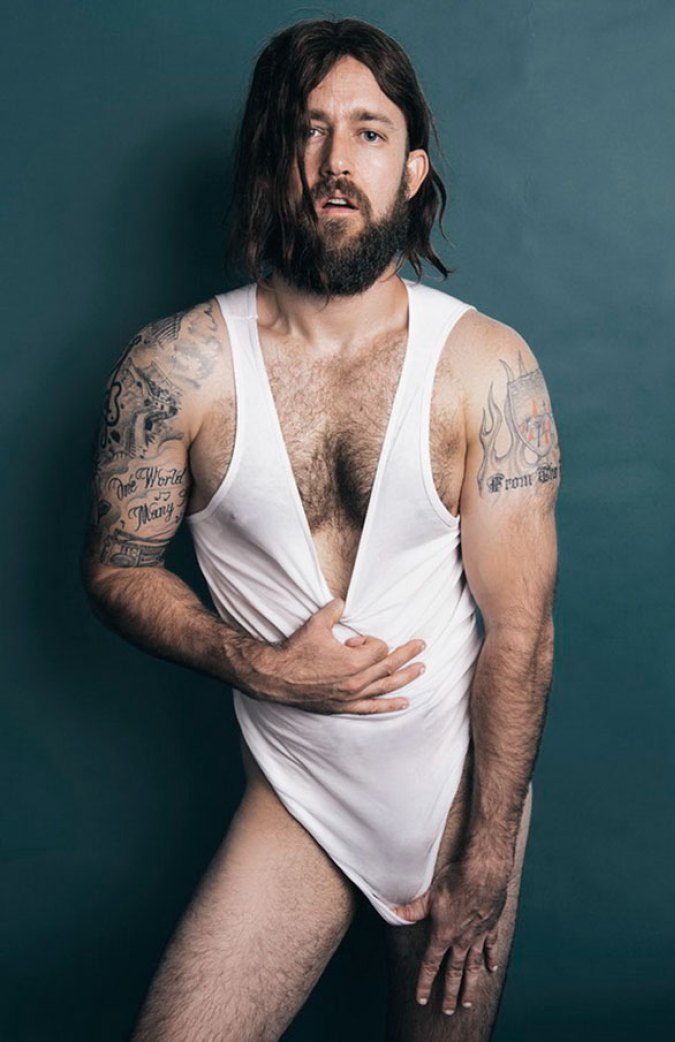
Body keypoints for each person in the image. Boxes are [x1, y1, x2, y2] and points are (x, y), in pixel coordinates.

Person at [81, 16, 560, 1042]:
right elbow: (117, 569)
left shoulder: (487, 367)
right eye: (308, 129)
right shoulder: (177, 370)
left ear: (412, 170)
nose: (337, 161)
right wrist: (258, 664)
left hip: (457, 802)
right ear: (272, 156)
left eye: (369, 132)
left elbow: (522, 632)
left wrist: (487, 854)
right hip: (297, 792)